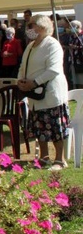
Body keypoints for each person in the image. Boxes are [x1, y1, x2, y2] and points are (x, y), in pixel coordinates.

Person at [18, 14, 70, 170]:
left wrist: (34, 82)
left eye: (31, 25)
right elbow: (23, 66)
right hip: (34, 94)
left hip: (51, 93)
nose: (28, 29)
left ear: (41, 27)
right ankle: (44, 158)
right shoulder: (30, 45)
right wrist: (20, 81)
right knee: (39, 126)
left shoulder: (52, 44)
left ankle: (60, 160)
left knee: (55, 128)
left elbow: (53, 69)